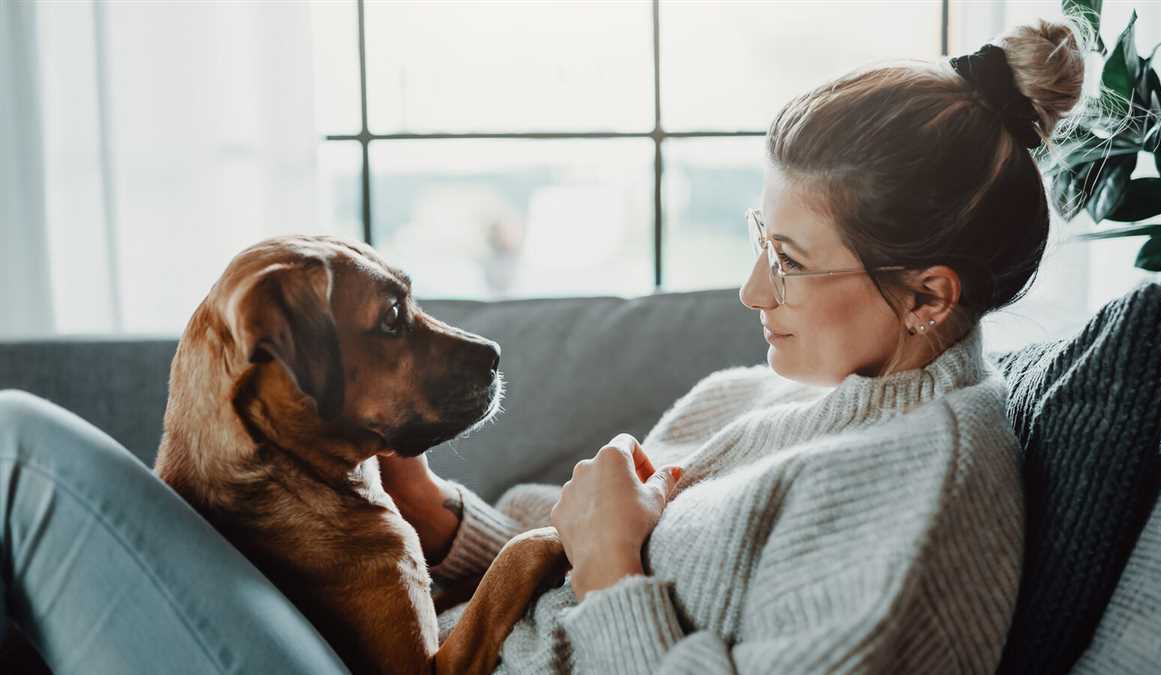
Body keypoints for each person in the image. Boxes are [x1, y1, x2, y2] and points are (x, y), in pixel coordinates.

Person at [0, 18, 1086, 675]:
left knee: (15, 453)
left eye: (791, 260)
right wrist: (439, 522)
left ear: (929, 295)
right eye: (762, 240)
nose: (753, 288)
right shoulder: (753, 397)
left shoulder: (923, 489)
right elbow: (549, 539)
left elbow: (594, 564)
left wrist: (614, 570)